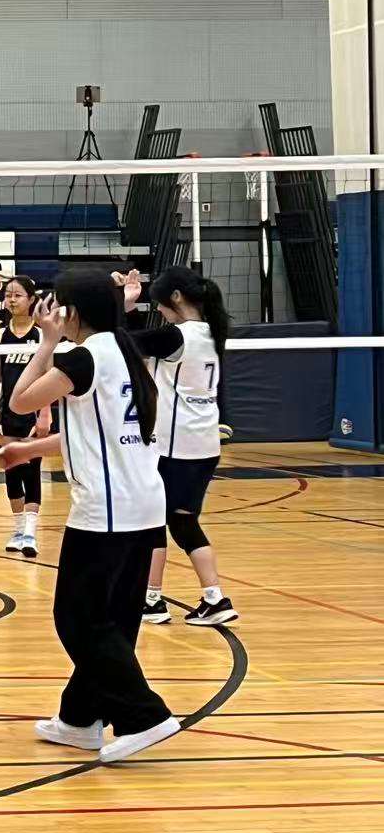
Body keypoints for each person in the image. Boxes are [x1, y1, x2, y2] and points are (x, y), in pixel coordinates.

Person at [0, 270, 183, 763]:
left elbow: (19, 401)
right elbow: (92, 432)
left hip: (107, 508)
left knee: (77, 618)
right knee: (113, 619)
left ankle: (145, 715)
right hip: (143, 501)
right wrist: (28, 450)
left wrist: (46, 342)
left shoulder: (82, 357)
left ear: (72, 312)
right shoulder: (124, 349)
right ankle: (80, 718)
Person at [120, 267, 237, 627]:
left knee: (157, 522)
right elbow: (143, 342)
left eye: (159, 303)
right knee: (182, 522)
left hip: (175, 448)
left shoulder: (177, 337)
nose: (159, 310)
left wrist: (125, 304)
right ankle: (211, 598)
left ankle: (153, 600)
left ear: (175, 298)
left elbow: (125, 345)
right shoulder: (211, 332)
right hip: (203, 445)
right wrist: (131, 309)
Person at [0, 276, 52, 558]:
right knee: (11, 469)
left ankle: (31, 534)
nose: (11, 300)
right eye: (8, 295)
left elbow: (49, 375)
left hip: (33, 411)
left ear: (31, 299)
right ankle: (18, 530)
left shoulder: (41, 335)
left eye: (18, 295)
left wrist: (45, 412)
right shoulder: (0, 333)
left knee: (31, 469)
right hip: (8, 412)